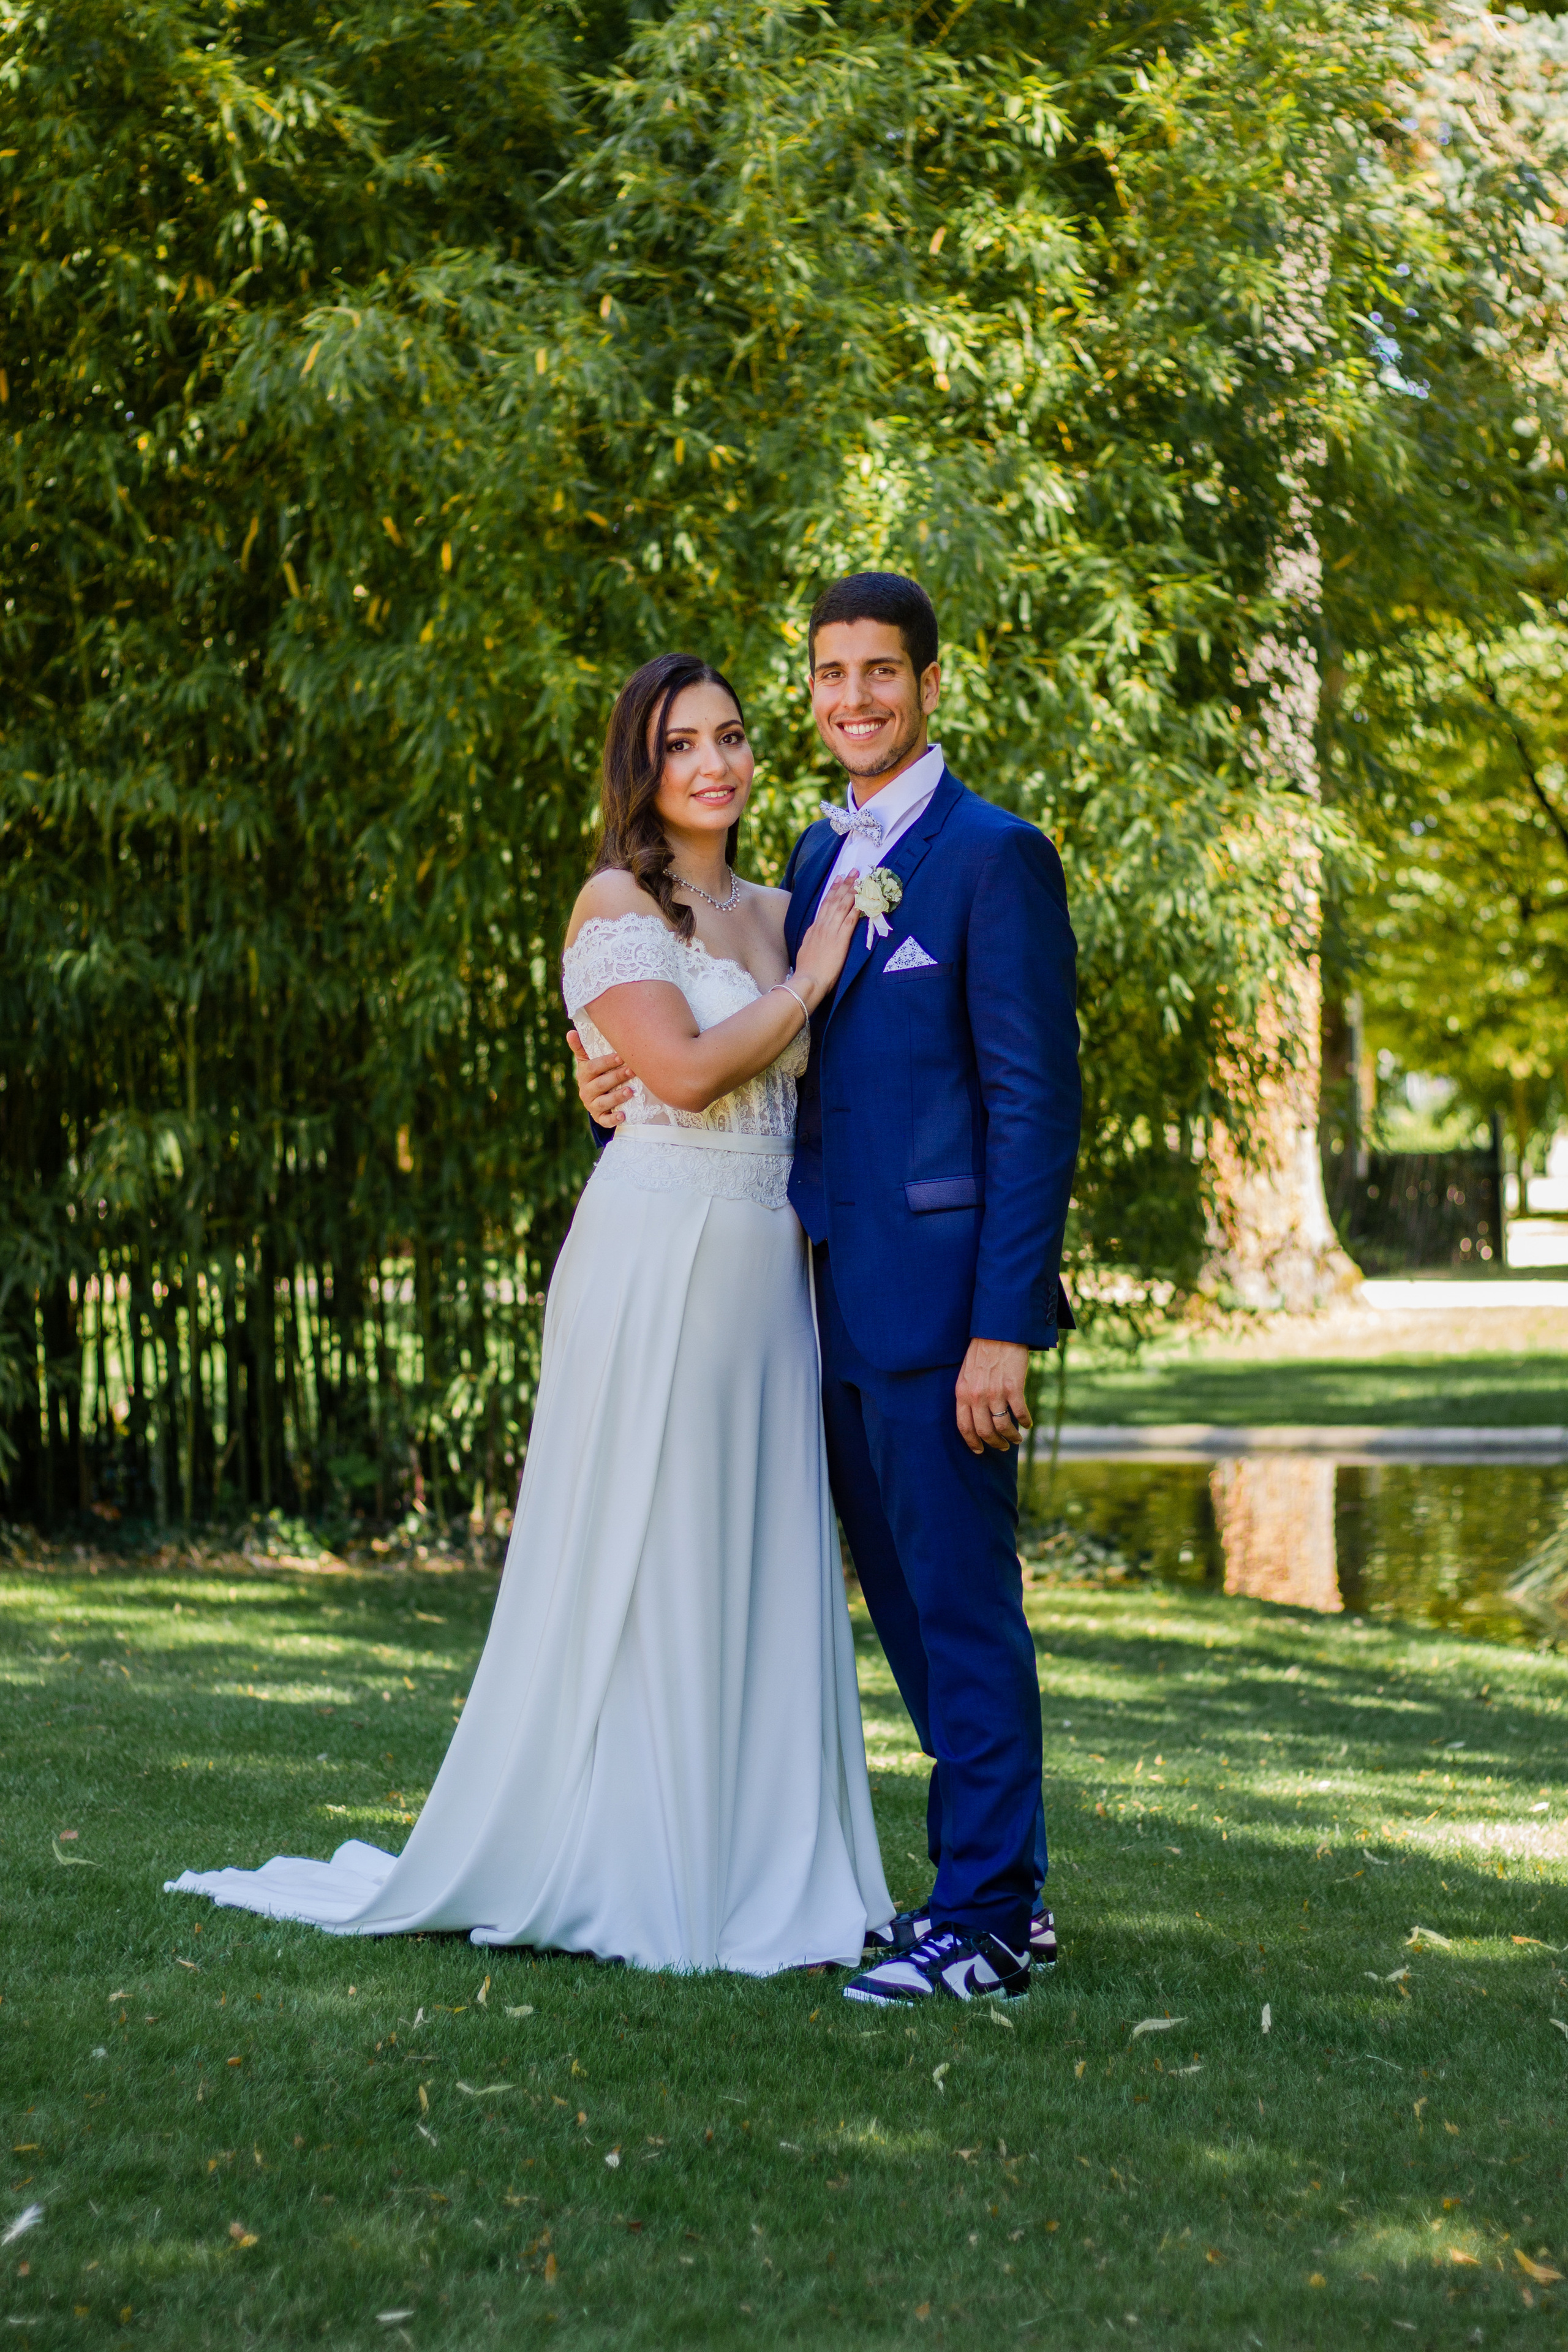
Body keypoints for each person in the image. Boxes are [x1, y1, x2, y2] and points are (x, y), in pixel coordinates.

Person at [165, 652, 894, 1975]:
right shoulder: (619, 900)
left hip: (763, 1273)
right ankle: (631, 1860)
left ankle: (762, 1861)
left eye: (731, 738)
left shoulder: (788, 904)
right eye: (683, 746)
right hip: (654, 1251)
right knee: (643, 1547)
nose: (717, 765)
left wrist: (807, 971)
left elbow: (805, 1077)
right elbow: (670, 1073)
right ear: (643, 767)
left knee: (752, 1545)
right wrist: (805, 985)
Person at [574, 573, 1080, 2005]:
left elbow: (1034, 1107)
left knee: (963, 1609)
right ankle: (1006, 1890)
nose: (850, 699)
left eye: (878, 673)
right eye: (827, 676)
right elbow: (733, 1053)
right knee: (915, 1622)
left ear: (928, 684)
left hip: (942, 1315)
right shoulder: (802, 855)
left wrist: (1003, 1324)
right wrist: (600, 1070)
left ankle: (983, 1919)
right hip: (818, 1309)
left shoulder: (993, 857)